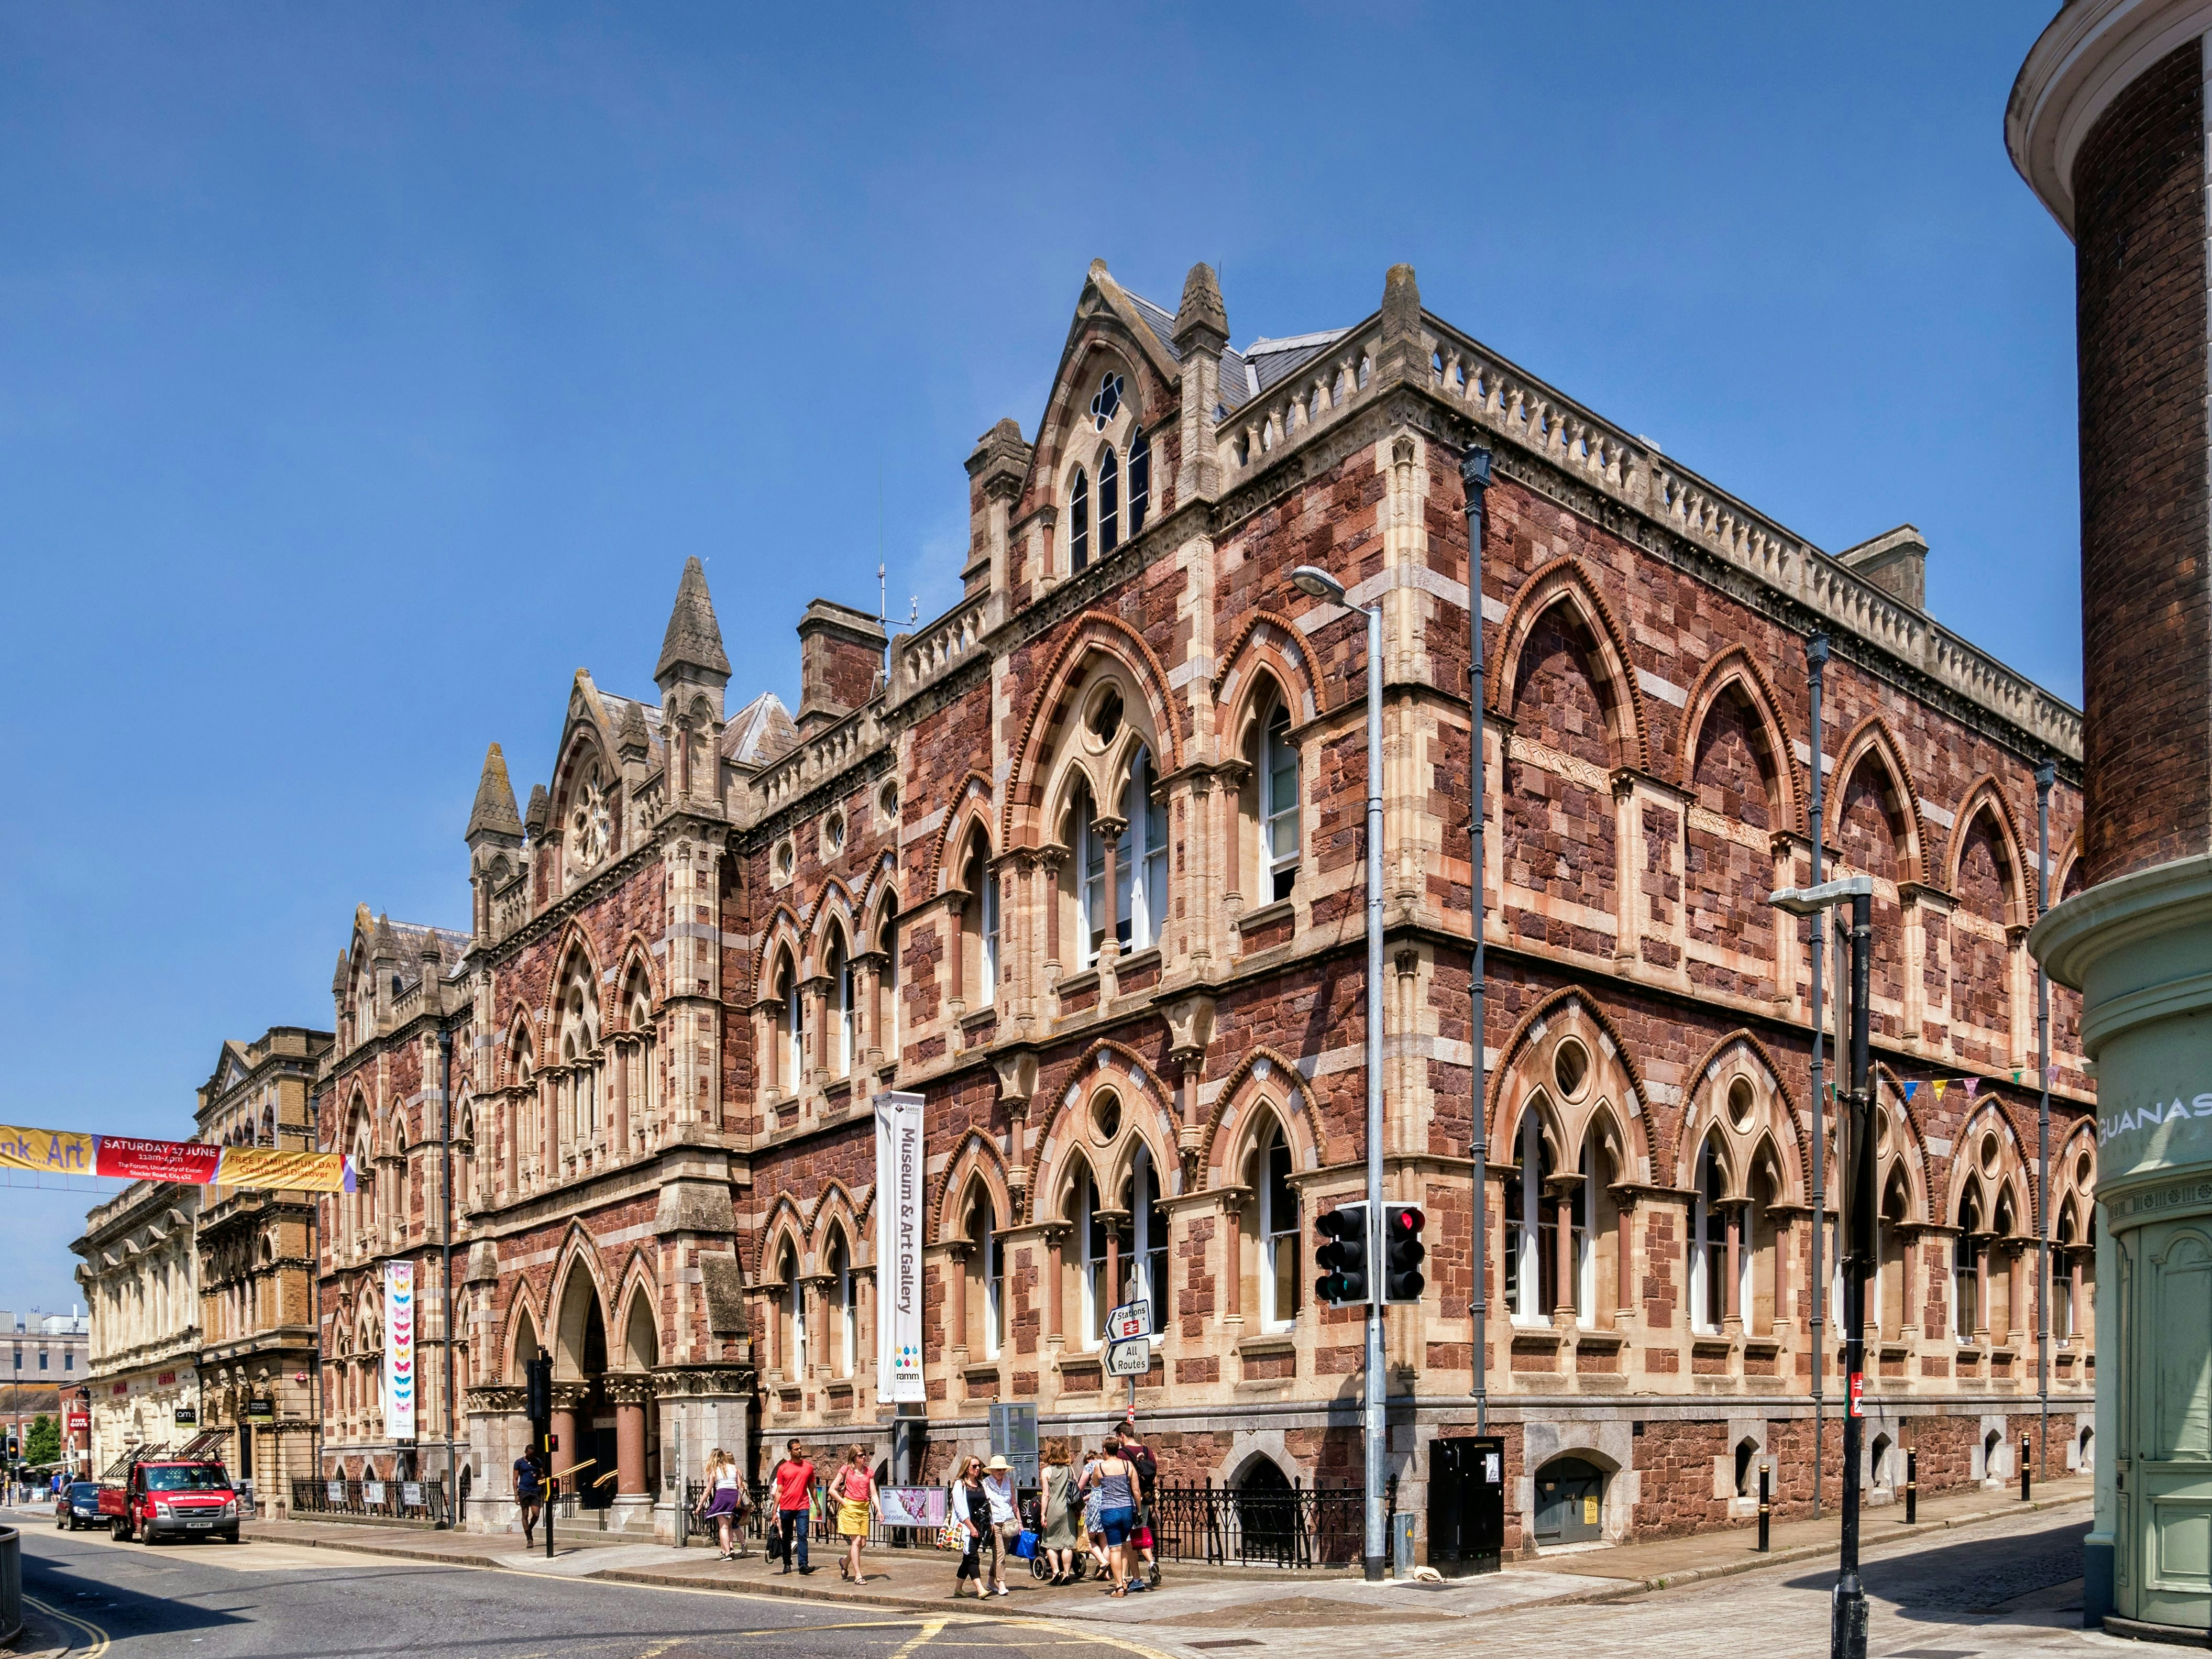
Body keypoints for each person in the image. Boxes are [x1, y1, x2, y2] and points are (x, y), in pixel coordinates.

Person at [1082, 1436, 1138, 1597]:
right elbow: (1136, 1490)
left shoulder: (1100, 1467)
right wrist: (1138, 1510)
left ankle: (1119, 1586)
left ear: (1105, 1451)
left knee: (1115, 1549)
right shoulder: (1128, 1465)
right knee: (1125, 1543)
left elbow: (1096, 1484)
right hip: (1127, 1509)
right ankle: (1125, 1580)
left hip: (1110, 1510)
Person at [1118, 1414, 1161, 1589]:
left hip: (1129, 1499)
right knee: (1141, 1531)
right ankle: (1151, 1563)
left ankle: (1128, 1578)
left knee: (1127, 1539)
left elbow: (1121, 1477)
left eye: (1117, 1437)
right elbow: (1155, 1473)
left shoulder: (1122, 1453)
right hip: (1145, 1498)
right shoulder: (1147, 1450)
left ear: (1122, 1435)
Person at [768, 1438, 816, 1575]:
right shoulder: (783, 1468)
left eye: (800, 1448)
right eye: (796, 1449)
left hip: (803, 1506)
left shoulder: (808, 1467)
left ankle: (803, 1565)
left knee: (802, 1535)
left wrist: (817, 1506)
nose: (799, 1451)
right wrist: (774, 1512)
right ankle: (787, 1563)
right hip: (787, 1507)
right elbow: (779, 1491)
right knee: (787, 1536)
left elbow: (812, 1487)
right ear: (790, 1451)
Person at [832, 1445, 878, 1584]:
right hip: (850, 1507)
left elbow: (874, 1493)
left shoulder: (869, 1472)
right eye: (860, 1455)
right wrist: (844, 1503)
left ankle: (845, 1562)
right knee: (856, 1541)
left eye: (864, 1455)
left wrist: (880, 1510)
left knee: (862, 1543)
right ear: (854, 1457)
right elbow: (832, 1489)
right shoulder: (846, 1469)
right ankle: (858, 1575)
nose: (863, 1457)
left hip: (864, 1508)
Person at [1039, 1438, 1081, 1585]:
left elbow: (1046, 1495)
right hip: (1068, 1509)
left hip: (1053, 1509)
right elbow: (1075, 1487)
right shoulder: (1069, 1469)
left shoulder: (1046, 1471)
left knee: (1050, 1541)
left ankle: (1056, 1572)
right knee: (1067, 1543)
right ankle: (1067, 1574)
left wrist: (1043, 1514)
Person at [696, 1447, 746, 1561]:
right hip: (734, 1497)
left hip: (722, 1497)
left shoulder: (714, 1471)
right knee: (729, 1526)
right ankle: (730, 1549)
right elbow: (740, 1485)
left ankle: (727, 1553)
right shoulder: (734, 1468)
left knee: (723, 1527)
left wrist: (700, 1505)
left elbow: (708, 1491)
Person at [950, 1455, 989, 1599]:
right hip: (967, 1528)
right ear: (967, 1468)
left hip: (981, 1527)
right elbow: (960, 1510)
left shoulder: (981, 1485)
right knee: (973, 1557)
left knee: (967, 1559)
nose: (978, 1469)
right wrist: (971, 1527)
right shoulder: (959, 1485)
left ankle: (958, 1589)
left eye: (979, 1466)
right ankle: (980, 1590)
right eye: (974, 1466)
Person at [981, 1454, 1020, 1597]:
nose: (1001, 1472)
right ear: (992, 1470)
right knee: (1000, 1554)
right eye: (998, 1469)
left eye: (1003, 1469)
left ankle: (991, 1582)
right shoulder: (986, 1483)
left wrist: (1020, 1522)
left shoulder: (1009, 1481)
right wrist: (989, 1523)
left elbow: (1014, 1503)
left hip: (1009, 1523)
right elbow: (985, 1505)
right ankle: (1001, 1582)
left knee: (999, 1554)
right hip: (995, 1522)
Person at [513, 1449, 544, 1546]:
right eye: (529, 1454)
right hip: (524, 1490)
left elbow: (542, 1475)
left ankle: (529, 1529)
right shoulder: (519, 1462)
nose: (531, 1456)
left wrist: (539, 1475)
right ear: (526, 1452)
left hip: (535, 1490)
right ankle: (529, 1539)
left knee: (536, 1514)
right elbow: (515, 1478)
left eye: (533, 1454)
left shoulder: (538, 1461)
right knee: (525, 1514)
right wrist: (516, 1495)